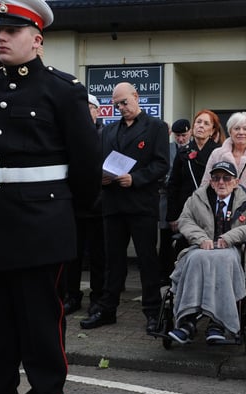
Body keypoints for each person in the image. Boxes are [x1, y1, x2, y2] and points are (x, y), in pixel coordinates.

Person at [0, 0, 102, 394]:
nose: (0, 37)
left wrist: (70, 217)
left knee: (39, 324)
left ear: (37, 39)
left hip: (40, 225)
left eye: (11, 31)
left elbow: (87, 164)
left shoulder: (64, 89)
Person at [80, 82, 170, 334]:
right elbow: (98, 161)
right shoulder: (108, 131)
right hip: (112, 204)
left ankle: (153, 312)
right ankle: (107, 309)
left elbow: (162, 165)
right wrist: (101, 176)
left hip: (141, 203)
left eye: (124, 102)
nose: (121, 107)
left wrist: (136, 179)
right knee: (113, 260)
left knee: (146, 260)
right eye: (116, 104)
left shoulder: (156, 127)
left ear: (136, 97)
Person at [167, 161, 246, 344]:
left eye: (226, 178)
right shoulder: (197, 198)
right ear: (211, 182)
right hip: (201, 248)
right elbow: (185, 220)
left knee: (225, 259)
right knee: (193, 259)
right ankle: (187, 321)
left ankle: (217, 322)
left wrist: (231, 236)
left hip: (234, 249)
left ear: (236, 181)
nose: (221, 182)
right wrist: (200, 238)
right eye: (216, 178)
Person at [63, 93, 106, 315]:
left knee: (99, 256)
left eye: (89, 107)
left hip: (99, 205)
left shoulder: (106, 134)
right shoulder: (70, 133)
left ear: (97, 111)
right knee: (73, 256)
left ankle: (97, 298)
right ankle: (72, 296)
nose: (85, 111)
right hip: (74, 205)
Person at [158, 118, 192, 286]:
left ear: (190, 133)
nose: (180, 139)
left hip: (187, 202)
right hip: (168, 201)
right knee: (166, 241)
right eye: (177, 136)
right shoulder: (168, 149)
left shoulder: (194, 150)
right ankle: (165, 274)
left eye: (184, 135)